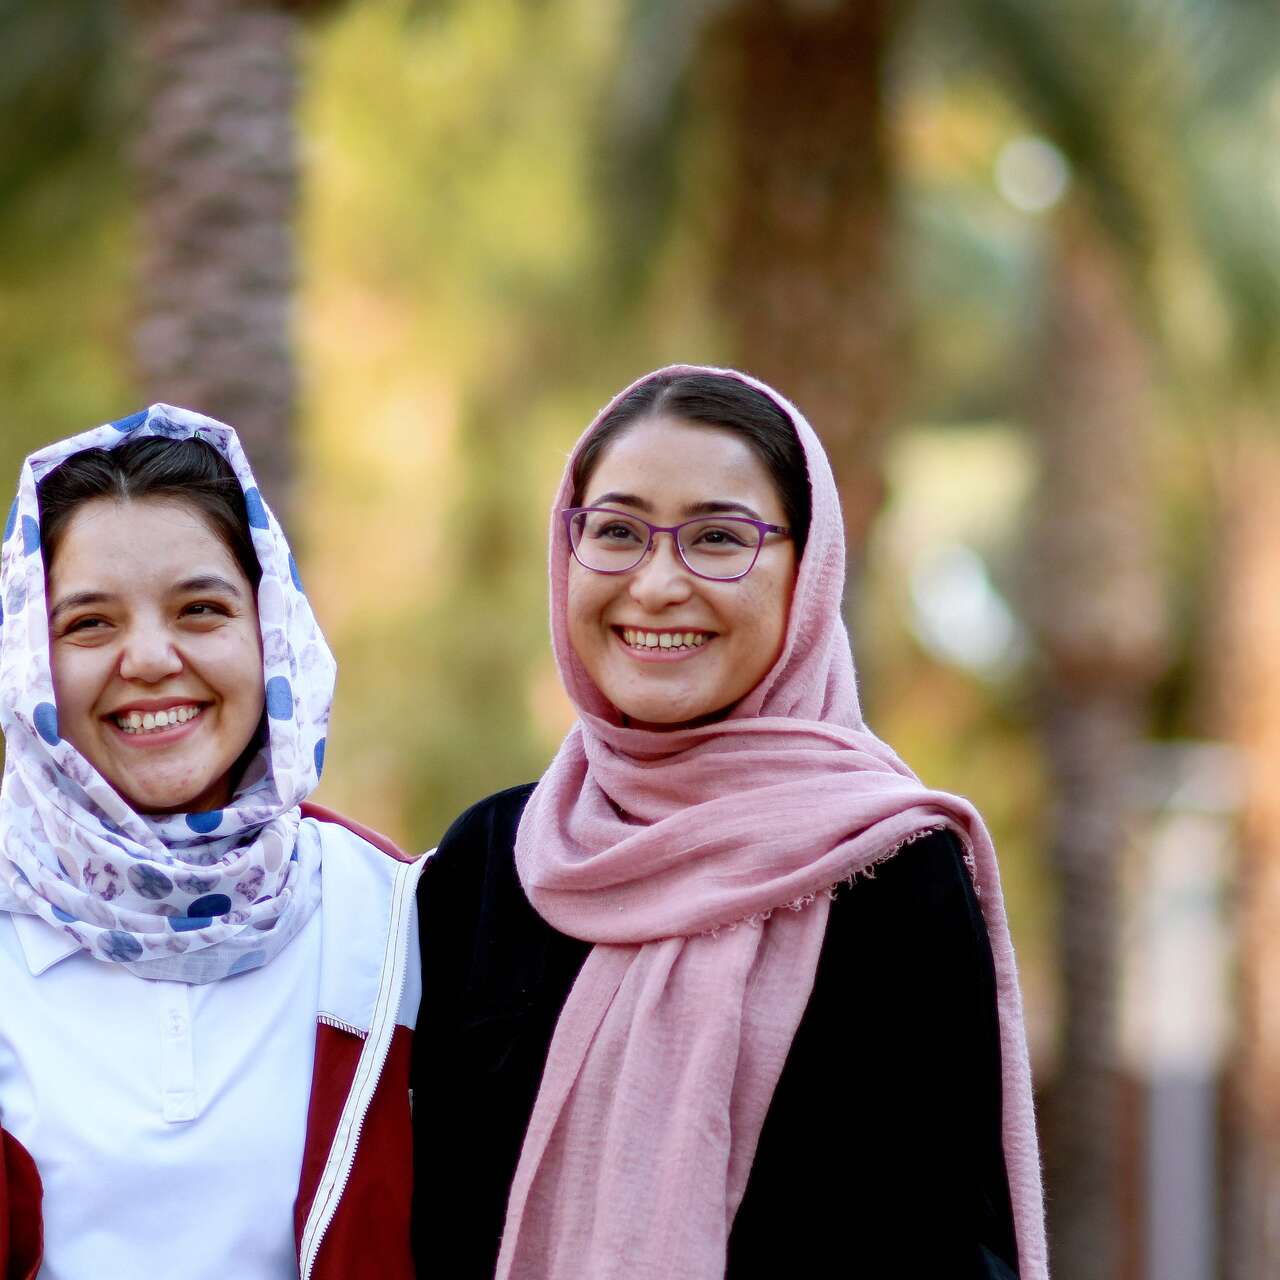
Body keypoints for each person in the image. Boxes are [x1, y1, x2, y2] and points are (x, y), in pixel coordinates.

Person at [413, 365, 1048, 1280]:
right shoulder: (488, 863)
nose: (658, 584)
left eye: (718, 538)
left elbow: (941, 1242)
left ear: (810, 569)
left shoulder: (888, 865)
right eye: (618, 533)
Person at [0, 407, 422, 1280]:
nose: (149, 658)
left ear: (274, 633)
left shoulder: (395, 925)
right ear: (28, 661)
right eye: (88, 624)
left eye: (201, 609)